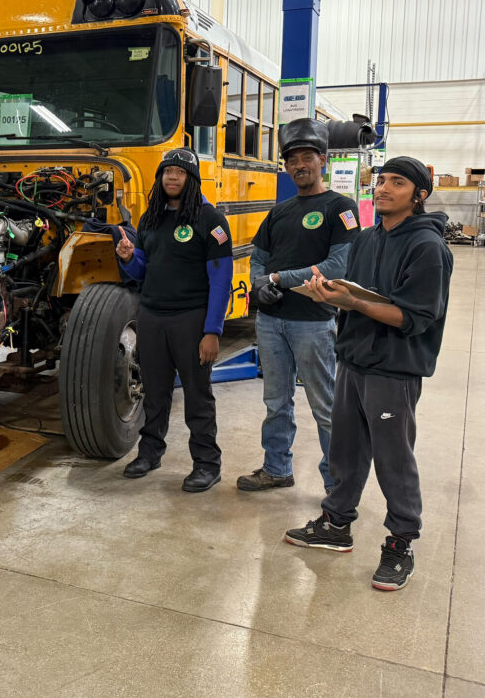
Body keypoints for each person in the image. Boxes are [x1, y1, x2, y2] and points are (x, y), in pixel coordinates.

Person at [284, 156, 452, 592]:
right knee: (346, 449)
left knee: (394, 459)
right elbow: (356, 295)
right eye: (380, 181)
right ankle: (337, 523)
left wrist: (356, 304)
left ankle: (400, 541)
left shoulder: (427, 248)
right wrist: (330, 295)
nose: (382, 189)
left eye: (397, 183)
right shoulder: (368, 239)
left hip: (393, 369)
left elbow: (413, 317)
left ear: (419, 195)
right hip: (355, 360)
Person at [238, 118, 360, 494]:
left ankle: (336, 487)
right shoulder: (279, 211)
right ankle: (277, 469)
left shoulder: (341, 207)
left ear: (323, 160)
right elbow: (258, 257)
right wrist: (260, 283)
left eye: (307, 157)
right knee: (276, 401)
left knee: (326, 408)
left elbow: (338, 266)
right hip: (272, 323)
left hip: (313, 322)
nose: (299, 165)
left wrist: (277, 280)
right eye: (292, 160)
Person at [115, 147, 233, 492]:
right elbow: (142, 272)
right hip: (151, 316)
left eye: (180, 173)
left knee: (197, 396)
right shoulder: (150, 218)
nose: (171, 177)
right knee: (154, 391)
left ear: (191, 179)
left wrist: (212, 330)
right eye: (167, 171)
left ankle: (207, 464)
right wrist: (127, 258)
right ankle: (150, 452)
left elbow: (221, 278)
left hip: (191, 318)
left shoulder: (210, 220)